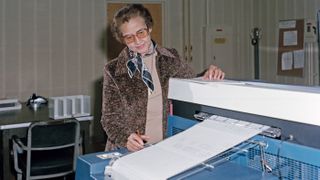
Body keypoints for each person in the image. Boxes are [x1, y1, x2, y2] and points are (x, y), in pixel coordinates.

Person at [101, 4, 225, 152]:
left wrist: (209, 73)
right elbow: (109, 118)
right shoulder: (113, 70)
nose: (137, 40)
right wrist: (125, 138)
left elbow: (190, 82)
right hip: (129, 151)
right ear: (122, 39)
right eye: (129, 37)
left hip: (165, 148)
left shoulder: (170, 58)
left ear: (149, 28)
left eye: (141, 32)